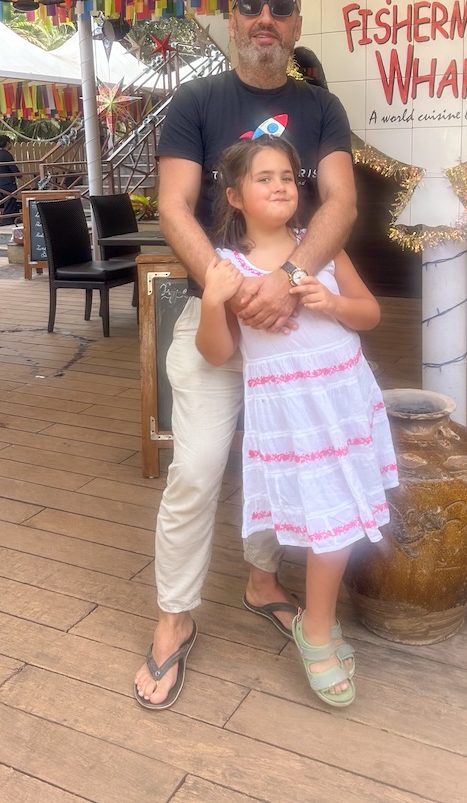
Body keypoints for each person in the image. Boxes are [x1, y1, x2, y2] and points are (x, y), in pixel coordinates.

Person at [134, 0, 357, 710]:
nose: (266, 18)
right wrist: (226, 286)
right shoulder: (197, 100)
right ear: (232, 17)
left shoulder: (321, 107)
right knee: (198, 468)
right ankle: (174, 614)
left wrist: (286, 279)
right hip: (217, 321)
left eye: (281, 8)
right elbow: (173, 204)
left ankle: (263, 580)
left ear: (296, 24)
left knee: (278, 461)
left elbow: (340, 202)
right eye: (252, 5)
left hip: (293, 325)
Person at [197, 136, 397, 706]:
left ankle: (318, 624)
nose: (281, 186)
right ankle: (316, 631)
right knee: (330, 522)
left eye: (287, 176)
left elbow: (370, 313)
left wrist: (329, 303)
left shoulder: (321, 248)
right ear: (235, 196)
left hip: (343, 400)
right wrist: (212, 301)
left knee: (336, 520)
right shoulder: (229, 270)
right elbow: (217, 353)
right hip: (293, 415)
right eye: (264, 178)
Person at [0, 135, 21, 219]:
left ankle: (11, 220)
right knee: (10, 205)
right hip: (8, 183)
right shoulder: (7, 155)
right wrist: (26, 181)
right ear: (8, 143)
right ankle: (8, 221)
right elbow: (14, 170)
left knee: (8, 204)